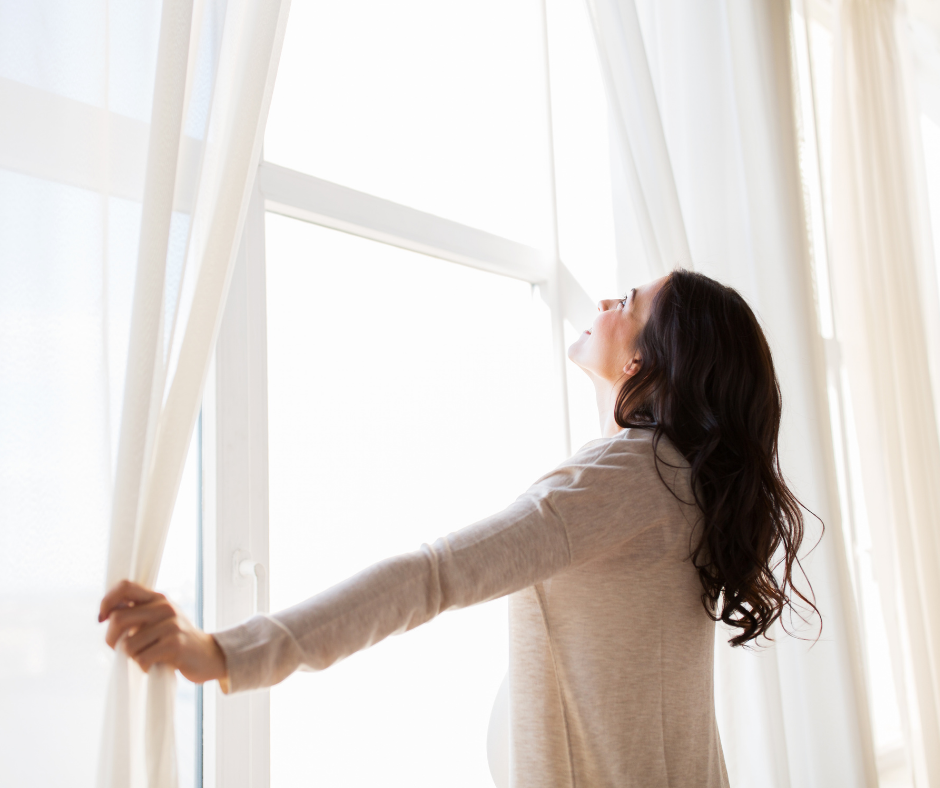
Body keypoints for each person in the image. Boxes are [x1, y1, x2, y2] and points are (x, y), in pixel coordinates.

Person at [99, 268, 819, 788]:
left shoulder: (625, 481)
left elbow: (434, 575)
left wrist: (227, 653)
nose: (605, 299)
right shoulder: (685, 485)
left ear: (642, 359)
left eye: (627, 300)